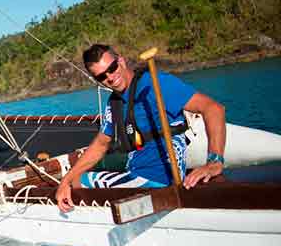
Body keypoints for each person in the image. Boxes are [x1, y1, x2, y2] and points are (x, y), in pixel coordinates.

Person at [56, 44, 226, 213]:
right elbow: (101, 144)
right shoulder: (114, 103)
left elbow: (213, 108)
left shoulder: (156, 83)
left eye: (112, 68)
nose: (110, 77)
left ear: (121, 61)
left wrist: (214, 162)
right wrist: (65, 180)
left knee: (78, 181)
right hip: (136, 174)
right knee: (74, 179)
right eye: (102, 76)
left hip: (158, 183)